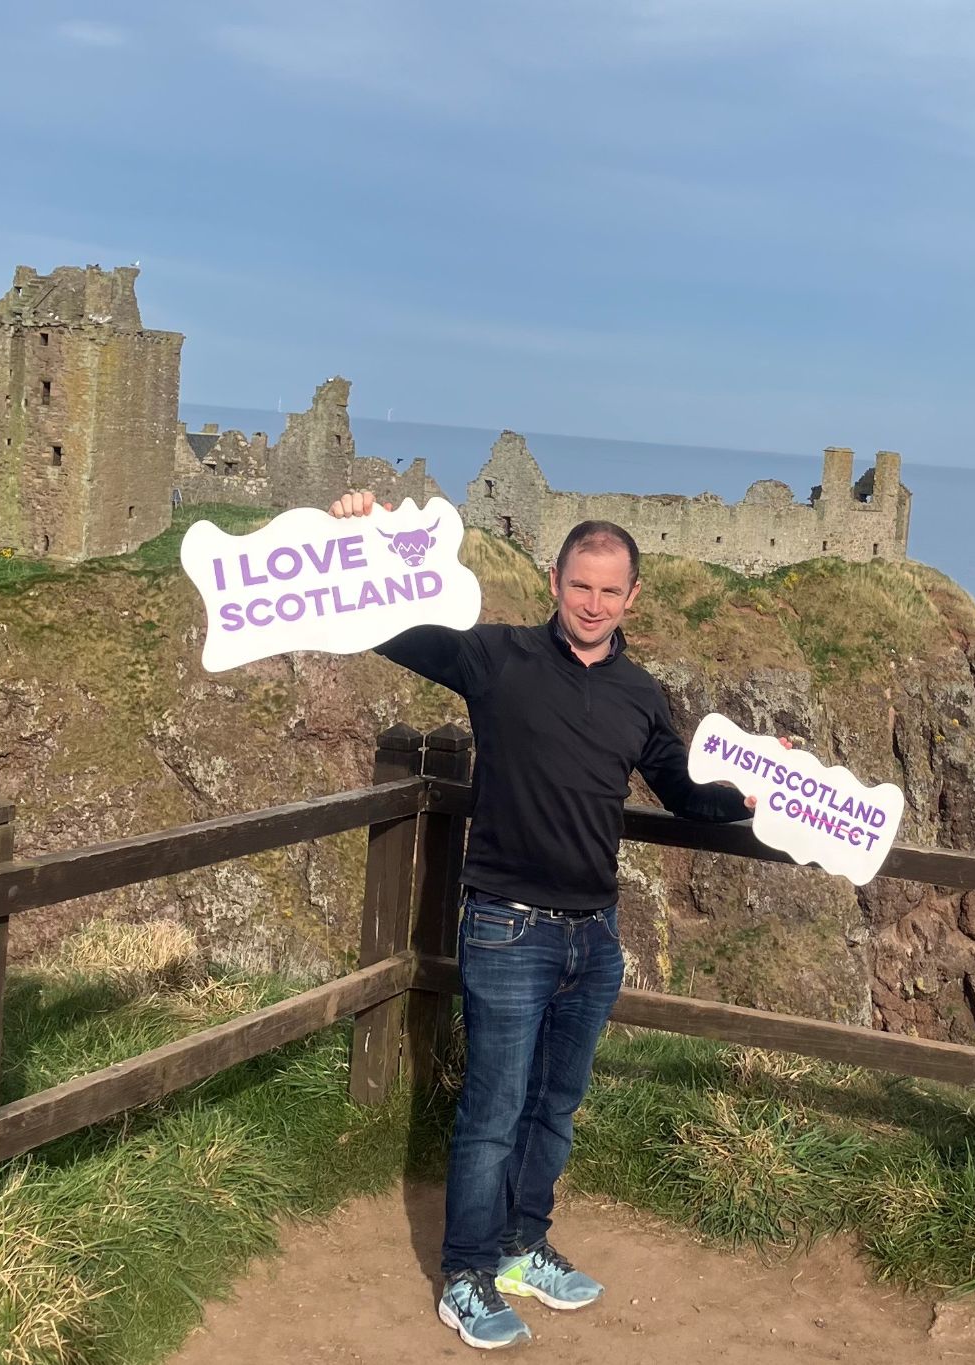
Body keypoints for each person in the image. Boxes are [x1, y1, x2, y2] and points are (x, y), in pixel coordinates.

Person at [329, 495, 754, 1350]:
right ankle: (465, 1274)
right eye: (580, 585)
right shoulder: (498, 657)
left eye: (610, 590)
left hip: (592, 936)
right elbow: (390, 628)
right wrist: (355, 538)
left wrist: (755, 807)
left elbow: (679, 787)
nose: (593, 603)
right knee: (494, 1110)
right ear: (554, 581)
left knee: (553, 1109)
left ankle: (523, 1245)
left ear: (634, 597)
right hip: (508, 928)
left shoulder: (640, 694)